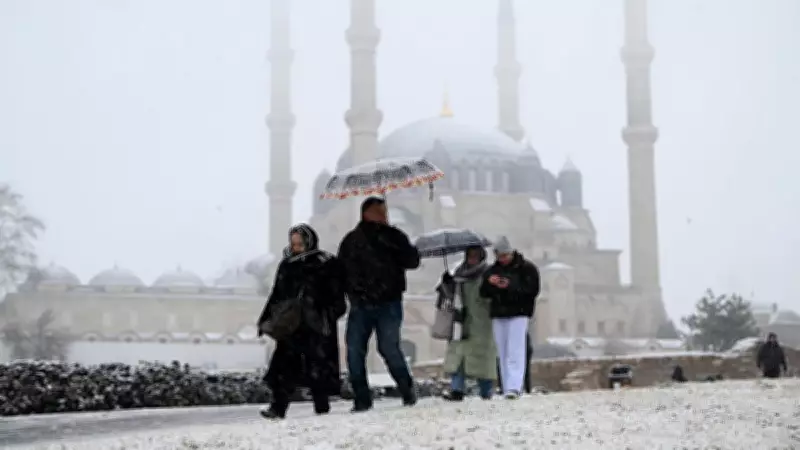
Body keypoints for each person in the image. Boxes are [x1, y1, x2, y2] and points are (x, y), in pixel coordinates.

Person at [338, 197, 421, 412]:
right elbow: (341, 273)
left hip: (388, 303)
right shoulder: (352, 241)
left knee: (389, 348)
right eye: (379, 211)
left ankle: (406, 389)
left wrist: (395, 243)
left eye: (384, 211)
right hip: (361, 305)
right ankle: (361, 398)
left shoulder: (394, 236)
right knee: (355, 351)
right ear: (366, 213)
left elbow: (413, 261)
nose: (384, 215)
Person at [256, 224, 347, 420]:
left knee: (317, 367)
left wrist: (326, 316)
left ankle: (321, 406)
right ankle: (278, 407)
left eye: (300, 242)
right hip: (292, 325)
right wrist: (266, 319)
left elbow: (337, 296)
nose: (297, 246)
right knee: (285, 366)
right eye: (294, 242)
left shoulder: (325, 263)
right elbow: (277, 294)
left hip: (316, 325)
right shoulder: (288, 264)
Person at [480, 236, 540, 399]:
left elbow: (532, 290)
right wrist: (490, 283)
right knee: (502, 351)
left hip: (519, 313)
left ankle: (514, 386)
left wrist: (510, 285)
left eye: (505, 256)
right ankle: (506, 387)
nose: (503, 259)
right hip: (499, 314)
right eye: (500, 256)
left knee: (515, 350)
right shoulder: (492, 271)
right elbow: (483, 292)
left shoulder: (527, 268)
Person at [438, 246, 497, 401]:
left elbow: (494, 295)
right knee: (459, 356)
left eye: (475, 256)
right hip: (461, 321)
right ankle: (456, 389)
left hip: (482, 322)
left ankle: (486, 391)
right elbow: (448, 295)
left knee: (482, 359)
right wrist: (447, 283)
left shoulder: (488, 273)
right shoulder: (459, 273)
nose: (472, 259)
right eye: (470, 256)